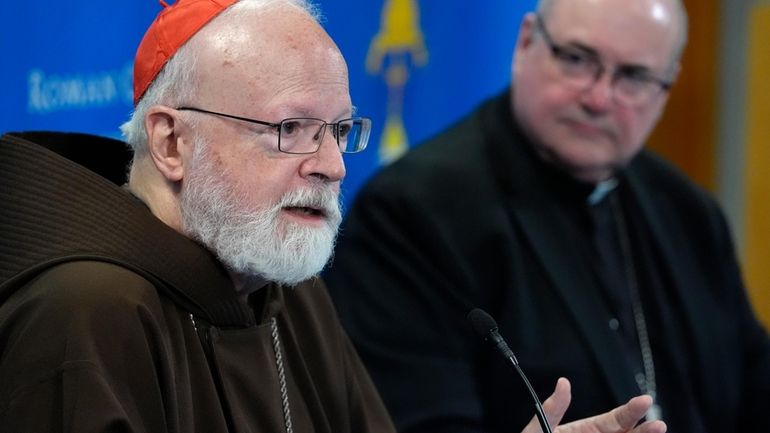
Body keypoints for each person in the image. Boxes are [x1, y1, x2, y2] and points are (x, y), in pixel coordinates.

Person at [0, 0, 671, 432]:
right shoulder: (83, 313)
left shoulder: (287, 288)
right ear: (174, 142)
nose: (332, 165)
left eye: (340, 130)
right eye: (291, 128)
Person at [325, 0, 770, 432]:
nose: (599, 98)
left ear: (666, 87)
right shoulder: (411, 212)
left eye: (633, 77)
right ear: (525, 42)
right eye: (577, 59)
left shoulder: (689, 214)